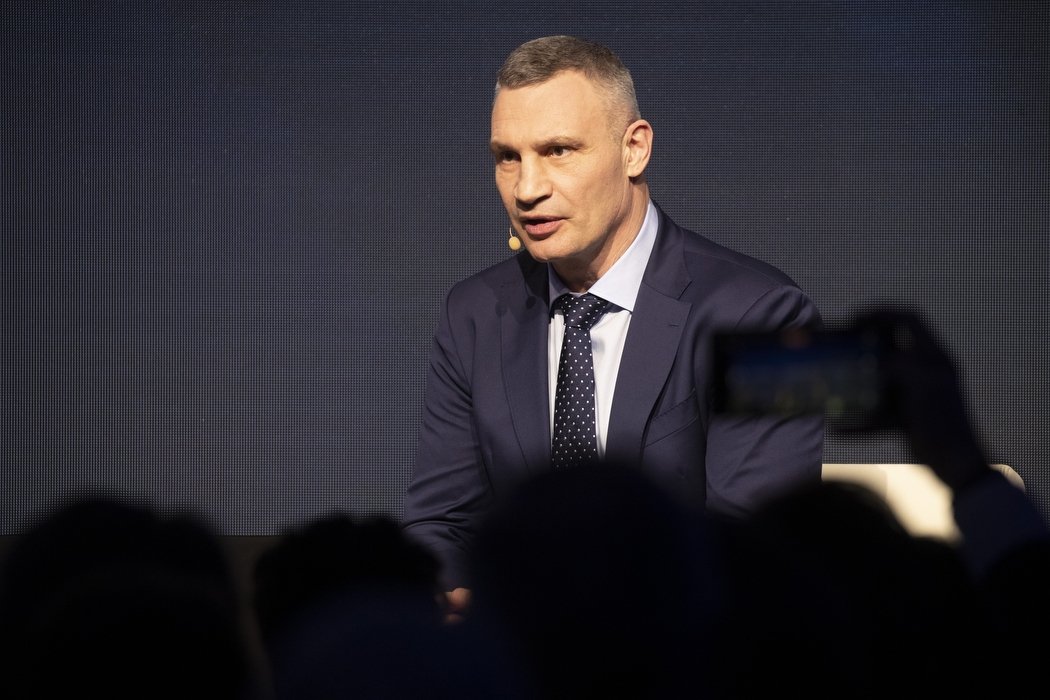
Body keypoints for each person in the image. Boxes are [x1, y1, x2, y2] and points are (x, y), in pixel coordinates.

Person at [402, 35, 824, 613]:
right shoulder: (473, 314)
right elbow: (439, 524)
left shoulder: (764, 314)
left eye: (558, 150)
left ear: (634, 149)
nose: (527, 189)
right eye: (508, 157)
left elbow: (753, 550)